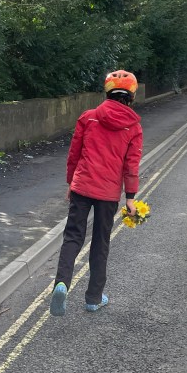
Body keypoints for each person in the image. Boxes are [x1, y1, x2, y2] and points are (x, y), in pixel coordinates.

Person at [49, 69, 143, 316]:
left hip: (83, 186)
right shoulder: (133, 127)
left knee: (73, 237)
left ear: (108, 91)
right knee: (100, 243)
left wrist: (72, 182)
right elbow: (131, 165)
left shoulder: (88, 118)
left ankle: (61, 283)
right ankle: (93, 298)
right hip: (108, 193)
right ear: (131, 96)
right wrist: (131, 198)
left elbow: (74, 155)